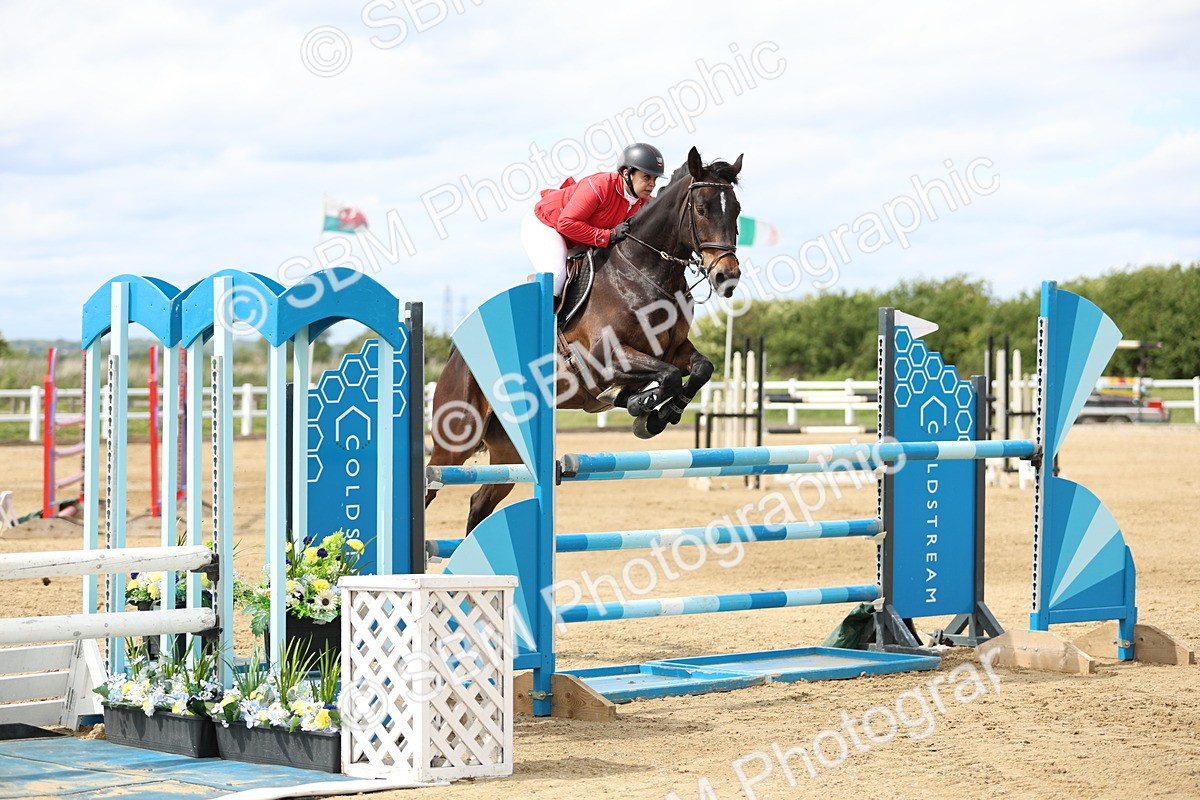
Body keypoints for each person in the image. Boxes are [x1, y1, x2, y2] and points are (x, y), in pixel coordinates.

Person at [521, 142, 665, 305]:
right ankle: (541, 326)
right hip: (546, 224)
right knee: (557, 275)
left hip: (579, 238)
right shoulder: (600, 186)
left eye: (655, 178)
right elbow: (565, 224)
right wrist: (608, 236)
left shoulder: (644, 202)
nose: (652, 184)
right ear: (626, 172)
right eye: (646, 177)